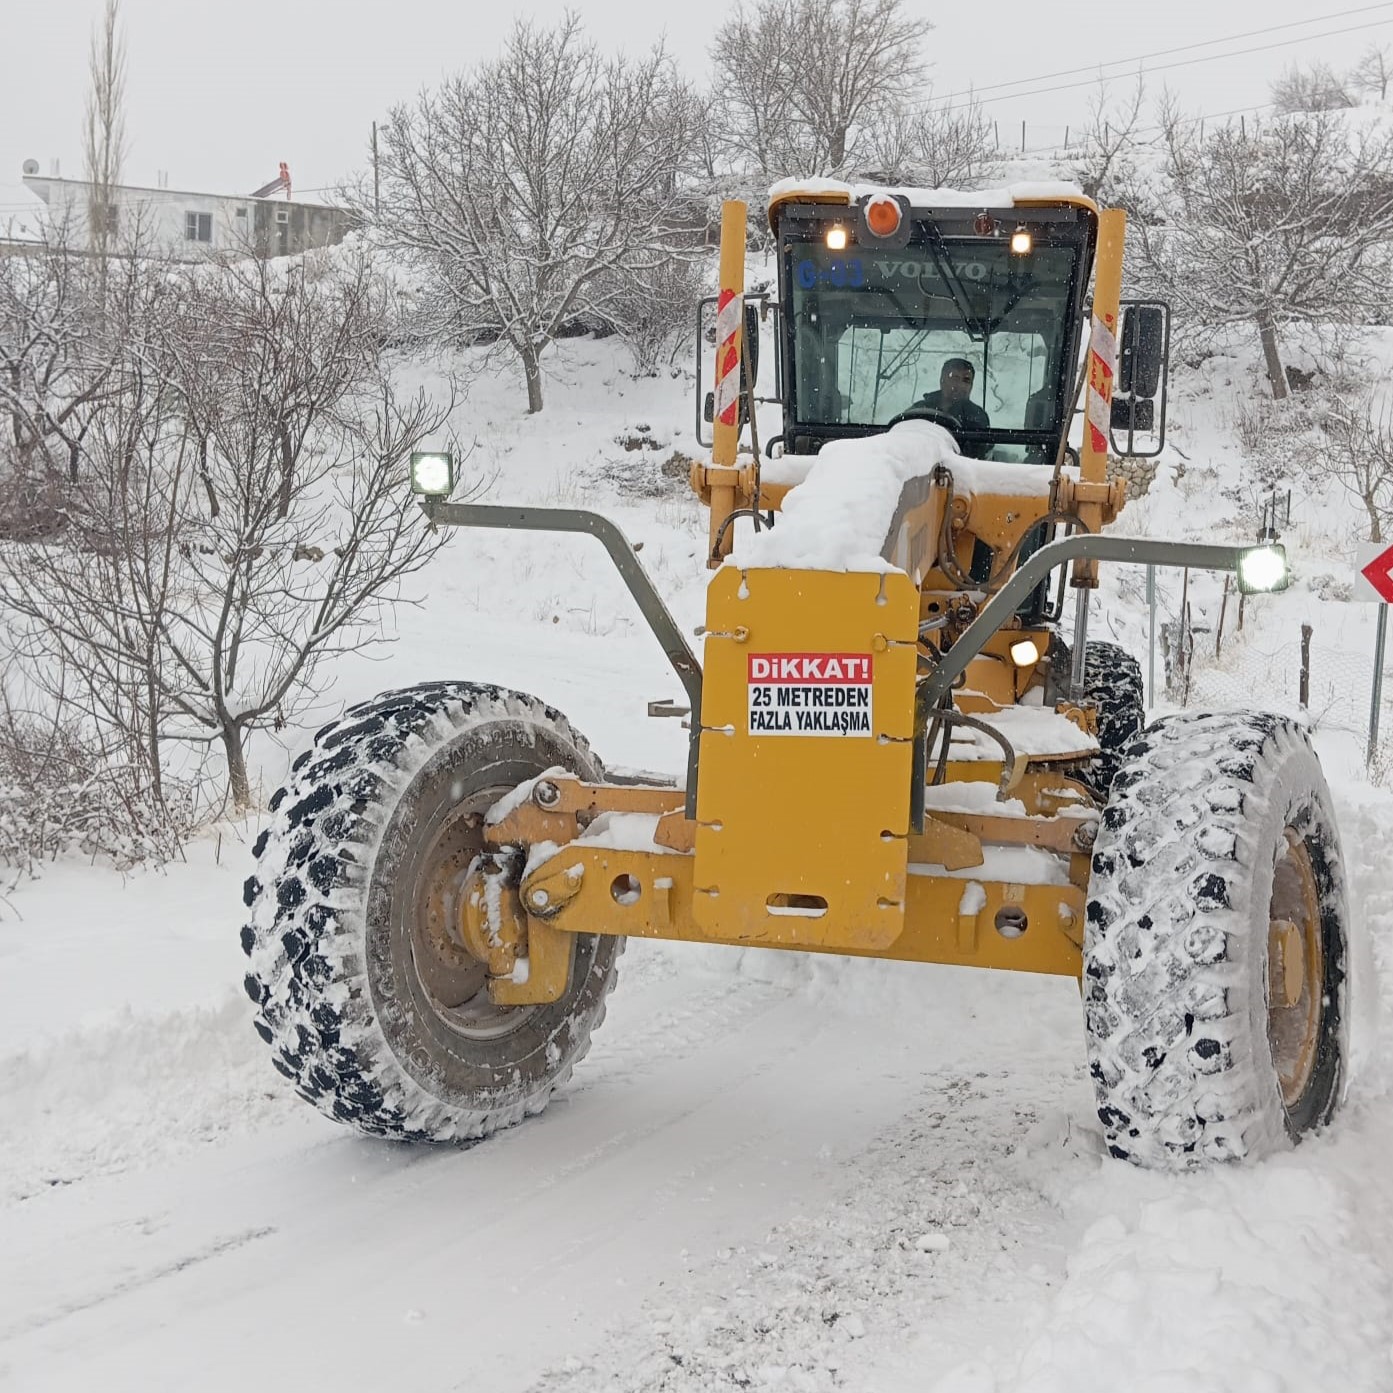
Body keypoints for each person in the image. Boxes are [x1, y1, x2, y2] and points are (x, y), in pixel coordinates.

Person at [918, 358, 991, 457]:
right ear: (942, 380)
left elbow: (978, 458)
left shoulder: (978, 417)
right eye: (954, 378)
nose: (960, 385)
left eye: (966, 380)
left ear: (971, 386)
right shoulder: (920, 410)